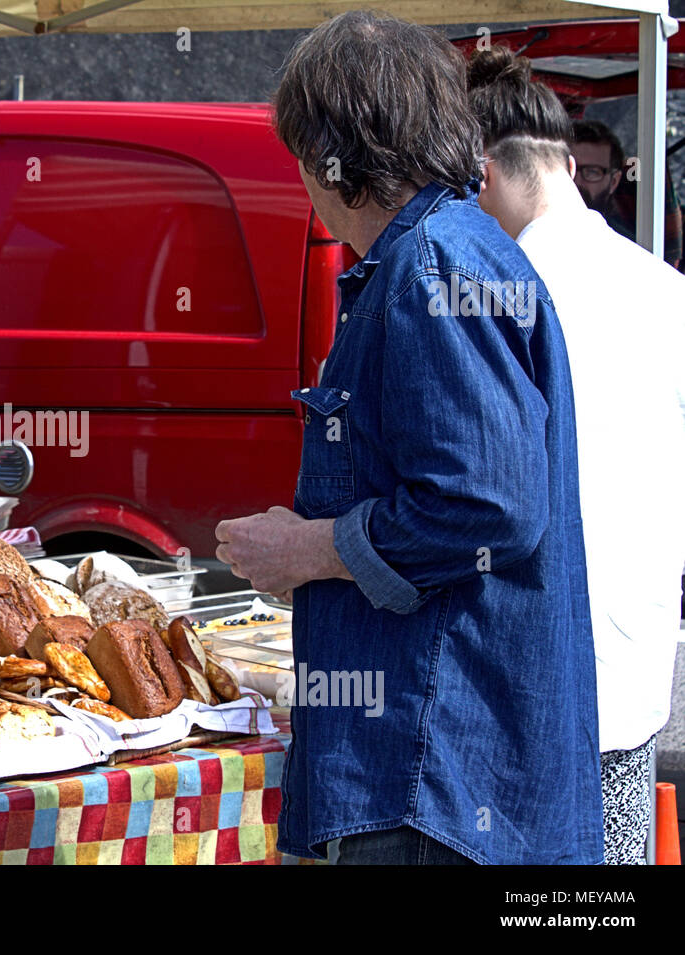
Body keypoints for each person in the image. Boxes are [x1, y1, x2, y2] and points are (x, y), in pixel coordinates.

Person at [215, 11, 602, 865]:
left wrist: (311, 548)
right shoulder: (448, 250)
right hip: (447, 767)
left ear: (331, 159)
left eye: (299, 159)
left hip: (437, 776)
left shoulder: (431, 263)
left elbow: (489, 506)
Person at [469, 47, 685, 864]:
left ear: (482, 173)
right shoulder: (664, 288)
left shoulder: (491, 299)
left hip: (522, 685)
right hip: (631, 684)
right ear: (565, 161)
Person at [571, 119, 682, 269]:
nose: (575, 180)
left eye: (592, 172)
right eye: (569, 167)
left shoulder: (630, 253)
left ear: (614, 182)